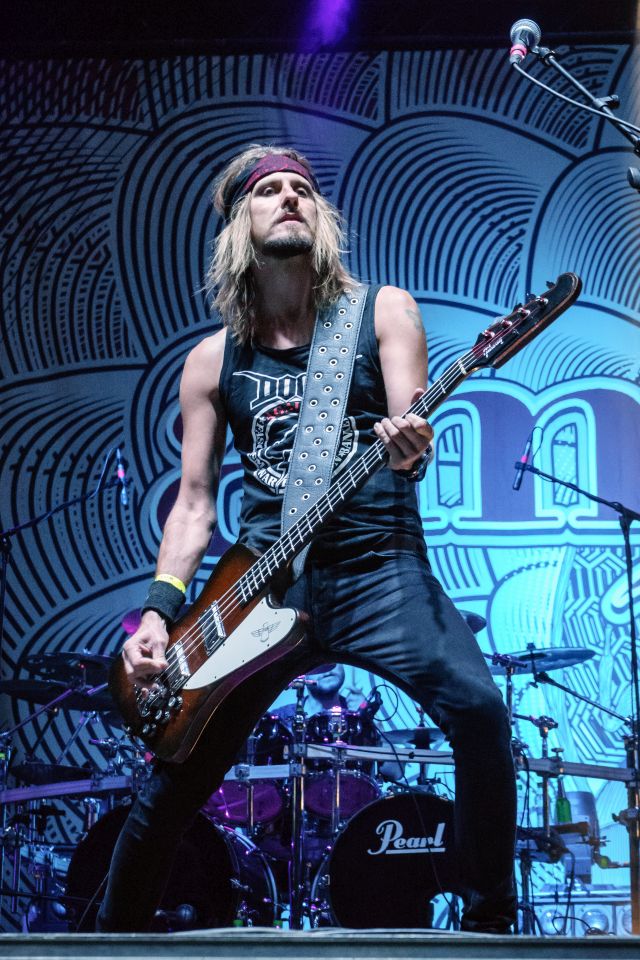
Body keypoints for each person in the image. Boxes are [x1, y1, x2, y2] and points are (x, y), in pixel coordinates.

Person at [97, 144, 517, 933]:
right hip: (261, 584)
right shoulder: (211, 362)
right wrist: (159, 611)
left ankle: (490, 928)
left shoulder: (382, 311)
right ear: (238, 227)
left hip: (377, 569)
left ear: (321, 218)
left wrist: (410, 444)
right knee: (176, 775)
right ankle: (107, 943)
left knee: (480, 712)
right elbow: (193, 505)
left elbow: (411, 426)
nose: (289, 196)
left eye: (302, 188)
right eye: (270, 191)